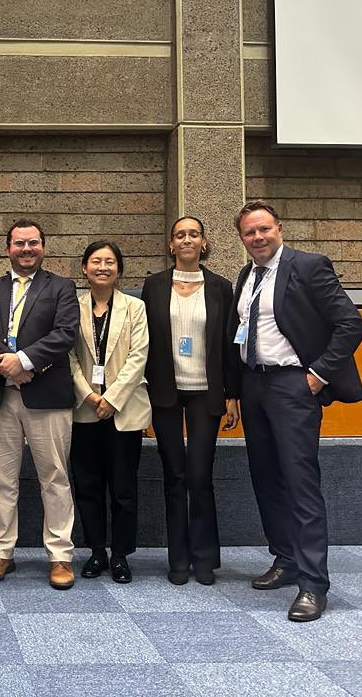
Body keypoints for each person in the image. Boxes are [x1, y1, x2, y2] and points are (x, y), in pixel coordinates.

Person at [228, 199, 362, 622]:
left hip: (293, 385)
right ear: (242, 239)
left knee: (300, 481)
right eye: (250, 232)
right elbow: (241, 334)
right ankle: (285, 559)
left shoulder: (308, 266)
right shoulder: (245, 275)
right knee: (266, 478)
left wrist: (318, 374)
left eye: (264, 229)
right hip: (255, 384)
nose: (258, 237)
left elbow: (351, 323)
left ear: (279, 229)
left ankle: (313, 584)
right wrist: (235, 390)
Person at [0, 219, 80, 590]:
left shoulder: (61, 287)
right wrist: (11, 366)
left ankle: (61, 555)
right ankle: (0, 552)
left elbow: (64, 334)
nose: (26, 249)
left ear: (43, 247)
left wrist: (27, 360)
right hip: (2, 396)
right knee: (2, 480)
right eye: (19, 243)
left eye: (33, 243)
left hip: (47, 397)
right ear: (8, 248)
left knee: (55, 478)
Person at [142, 217, 240, 586]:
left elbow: (230, 344)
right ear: (171, 245)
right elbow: (145, 343)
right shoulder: (152, 287)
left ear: (204, 242)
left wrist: (232, 393)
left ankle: (204, 559)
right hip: (165, 391)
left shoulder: (220, 287)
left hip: (206, 391)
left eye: (193, 234)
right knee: (173, 475)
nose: (187, 239)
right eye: (180, 234)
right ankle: (177, 559)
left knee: (199, 475)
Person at [68, 240, 152, 584]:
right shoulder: (71, 306)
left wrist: (111, 399)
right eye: (95, 261)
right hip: (84, 410)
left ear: (119, 269)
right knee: (87, 485)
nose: (102, 267)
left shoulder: (136, 307)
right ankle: (96, 551)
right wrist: (89, 395)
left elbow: (138, 356)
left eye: (110, 262)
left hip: (124, 410)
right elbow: (67, 356)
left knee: (123, 487)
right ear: (85, 268)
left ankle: (120, 554)